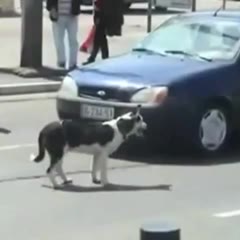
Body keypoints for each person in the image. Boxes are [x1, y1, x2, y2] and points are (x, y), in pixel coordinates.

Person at [83, 0, 124, 65]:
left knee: (99, 35)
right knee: (100, 36)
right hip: (104, 10)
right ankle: (100, 57)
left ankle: (95, 57)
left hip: (105, 11)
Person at [46, 0, 81, 70]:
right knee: (58, 40)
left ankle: (73, 63)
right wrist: (51, 9)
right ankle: (61, 61)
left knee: (73, 40)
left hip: (72, 16)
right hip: (58, 15)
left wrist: (77, 8)